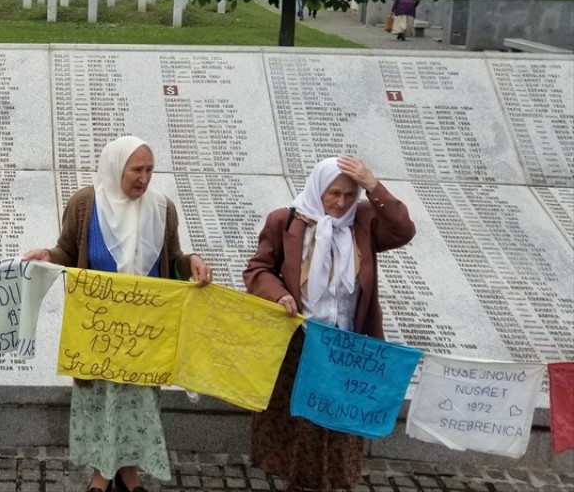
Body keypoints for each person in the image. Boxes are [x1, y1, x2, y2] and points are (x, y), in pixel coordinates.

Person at [21, 136, 212, 492]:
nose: (144, 178)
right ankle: (101, 474)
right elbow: (66, 248)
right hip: (98, 328)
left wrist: (192, 263)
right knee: (100, 400)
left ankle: (126, 472)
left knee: (137, 403)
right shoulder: (85, 204)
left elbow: (172, 260)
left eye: (150, 170)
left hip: (144, 330)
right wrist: (48, 256)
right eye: (136, 170)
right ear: (115, 168)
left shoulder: (163, 208)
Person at [243, 156, 415, 492]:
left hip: (348, 346)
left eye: (350, 195)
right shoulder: (286, 221)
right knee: (301, 429)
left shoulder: (363, 222)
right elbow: (257, 270)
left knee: (339, 428)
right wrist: (278, 295)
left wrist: (372, 184)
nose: (341, 203)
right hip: (301, 345)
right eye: (333, 194)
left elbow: (403, 229)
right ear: (318, 189)